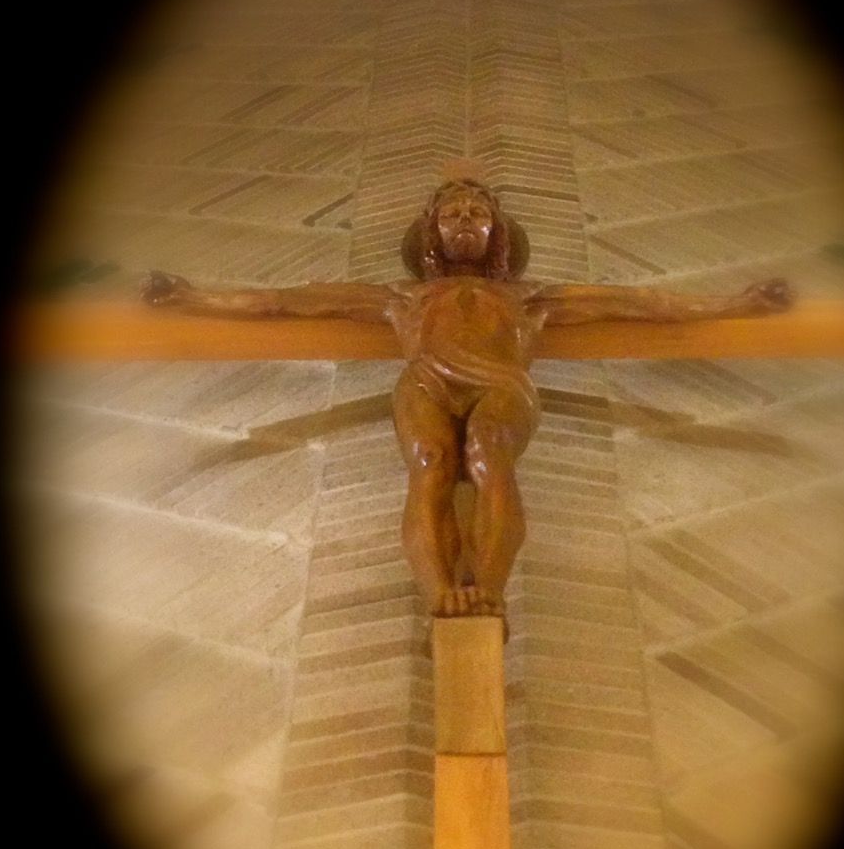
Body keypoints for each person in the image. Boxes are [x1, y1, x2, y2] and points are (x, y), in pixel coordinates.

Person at [142, 176, 793, 628]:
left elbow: (645, 306)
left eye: (476, 212)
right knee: (429, 461)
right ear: (430, 231)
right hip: (426, 379)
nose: (463, 219)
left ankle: (487, 591)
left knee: (489, 455)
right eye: (450, 213)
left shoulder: (532, 298)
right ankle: (441, 594)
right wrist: (192, 297)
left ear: (496, 230)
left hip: (499, 383)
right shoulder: (401, 298)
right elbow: (283, 303)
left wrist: (736, 304)